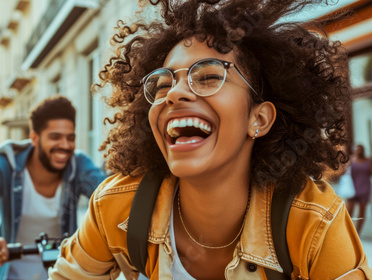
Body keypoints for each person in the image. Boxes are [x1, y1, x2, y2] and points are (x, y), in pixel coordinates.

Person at [49, 0, 372, 279]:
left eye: (208, 77)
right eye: (162, 85)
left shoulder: (312, 222)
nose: (173, 93)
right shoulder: (118, 205)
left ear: (258, 119)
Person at [0, 96, 106, 280]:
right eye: (55, 137)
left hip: (64, 273)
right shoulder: (2, 166)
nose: (65, 145)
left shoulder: (78, 164)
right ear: (34, 138)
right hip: (12, 273)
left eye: (70, 138)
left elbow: (108, 197)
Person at [347, 144, 372, 236]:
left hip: (364, 188)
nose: (358, 150)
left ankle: (358, 233)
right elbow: (344, 172)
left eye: (360, 149)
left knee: (361, 212)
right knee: (348, 211)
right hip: (352, 188)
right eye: (356, 148)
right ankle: (349, 231)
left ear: (363, 150)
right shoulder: (351, 160)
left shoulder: (368, 160)